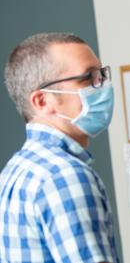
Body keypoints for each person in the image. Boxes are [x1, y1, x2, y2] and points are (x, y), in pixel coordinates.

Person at [0, 33, 119, 262]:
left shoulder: (13, 173)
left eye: (101, 74)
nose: (102, 85)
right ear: (42, 101)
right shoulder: (65, 176)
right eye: (88, 78)